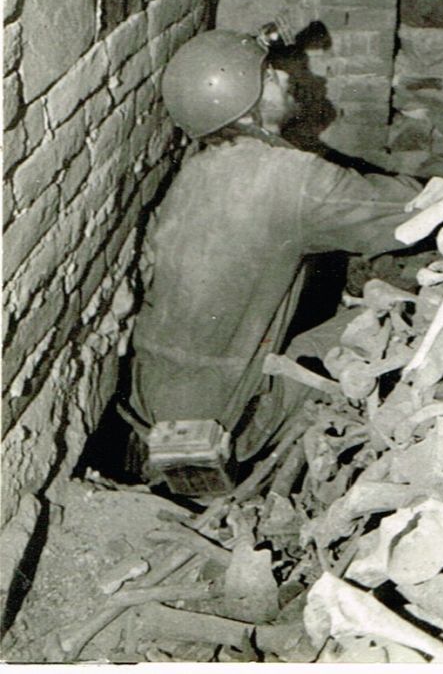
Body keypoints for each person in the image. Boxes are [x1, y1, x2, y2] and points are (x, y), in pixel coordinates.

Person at [126, 27, 421, 489]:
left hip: (149, 406)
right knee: (401, 313)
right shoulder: (293, 178)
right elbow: (409, 214)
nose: (285, 77)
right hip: (233, 417)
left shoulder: (198, 167)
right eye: (267, 74)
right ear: (240, 100)